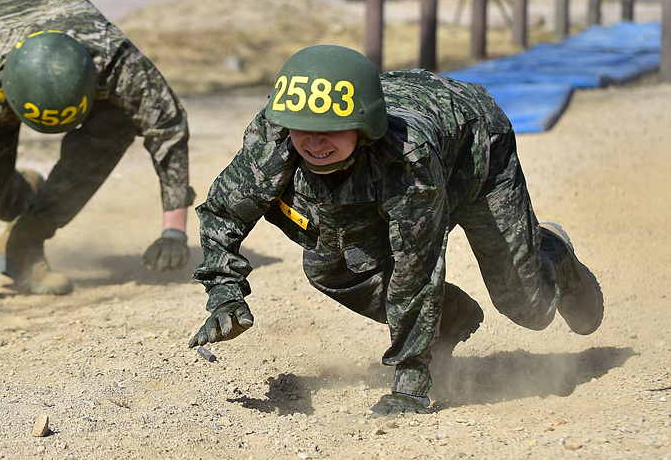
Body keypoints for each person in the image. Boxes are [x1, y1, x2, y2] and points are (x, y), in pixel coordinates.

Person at [187, 44, 604, 416]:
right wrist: (225, 294)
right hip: (381, 155)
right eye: (302, 128)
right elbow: (223, 213)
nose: (314, 142)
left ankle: (551, 252)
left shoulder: (409, 161)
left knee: (527, 307)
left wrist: (410, 384)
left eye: (329, 129)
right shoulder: (273, 138)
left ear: (362, 127)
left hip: (474, 150)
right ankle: (451, 317)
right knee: (327, 265)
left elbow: (416, 270)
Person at [0, 0, 196, 309]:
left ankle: (27, 237)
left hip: (57, 5)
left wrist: (173, 230)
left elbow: (167, 125)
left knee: (117, 123)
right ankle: (22, 194)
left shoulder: (113, 58)